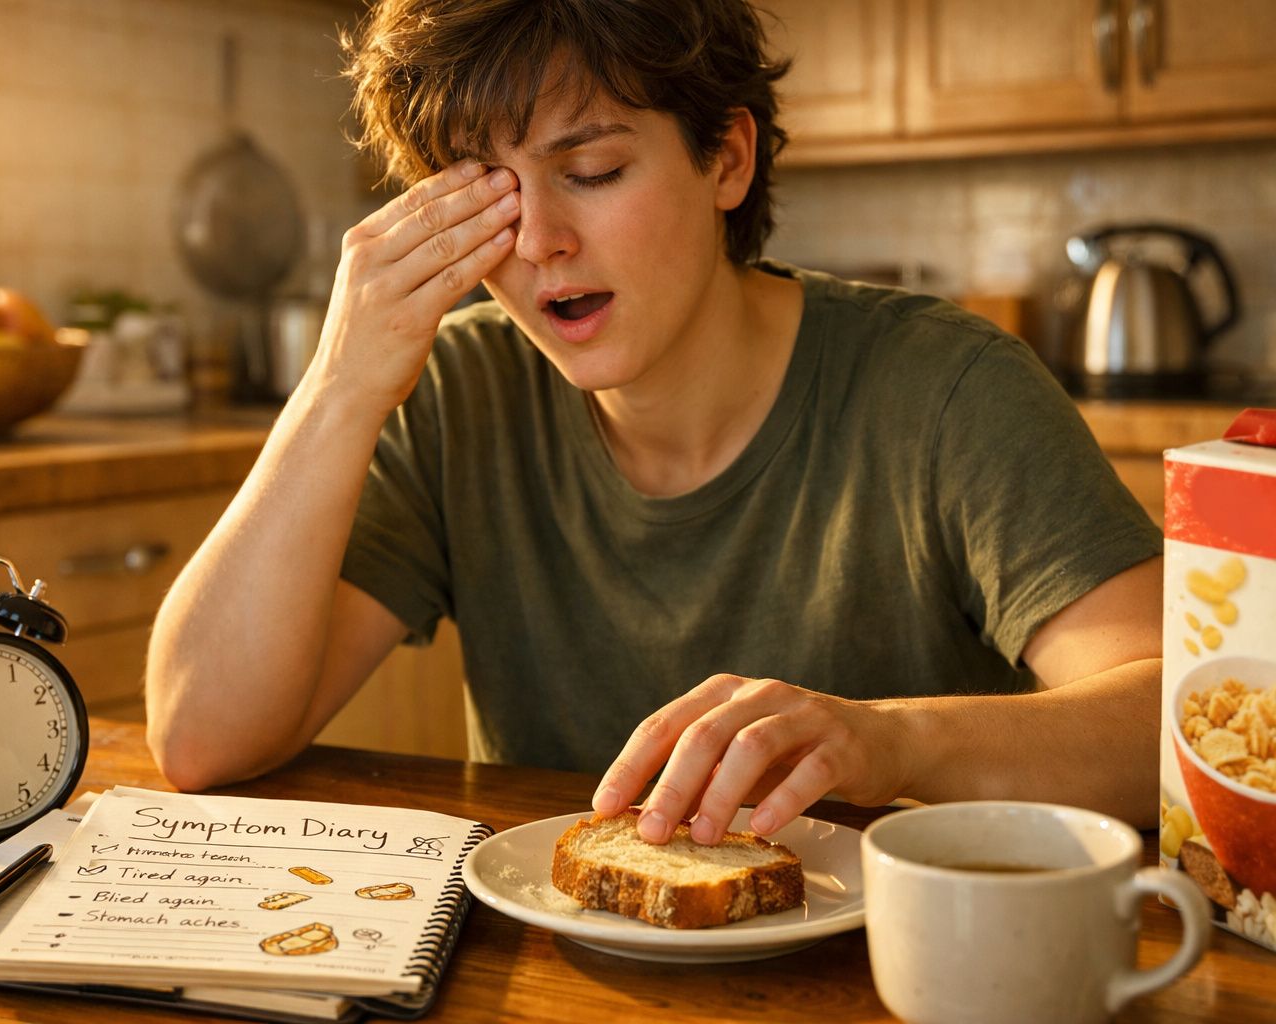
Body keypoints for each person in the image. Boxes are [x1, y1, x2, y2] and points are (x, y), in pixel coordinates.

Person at [145, 0, 1165, 844]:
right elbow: (198, 738)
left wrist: (892, 743)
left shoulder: (947, 388)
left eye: (591, 171)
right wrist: (338, 386)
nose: (538, 241)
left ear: (727, 160)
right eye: (489, 192)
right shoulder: (460, 391)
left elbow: (1173, 720)